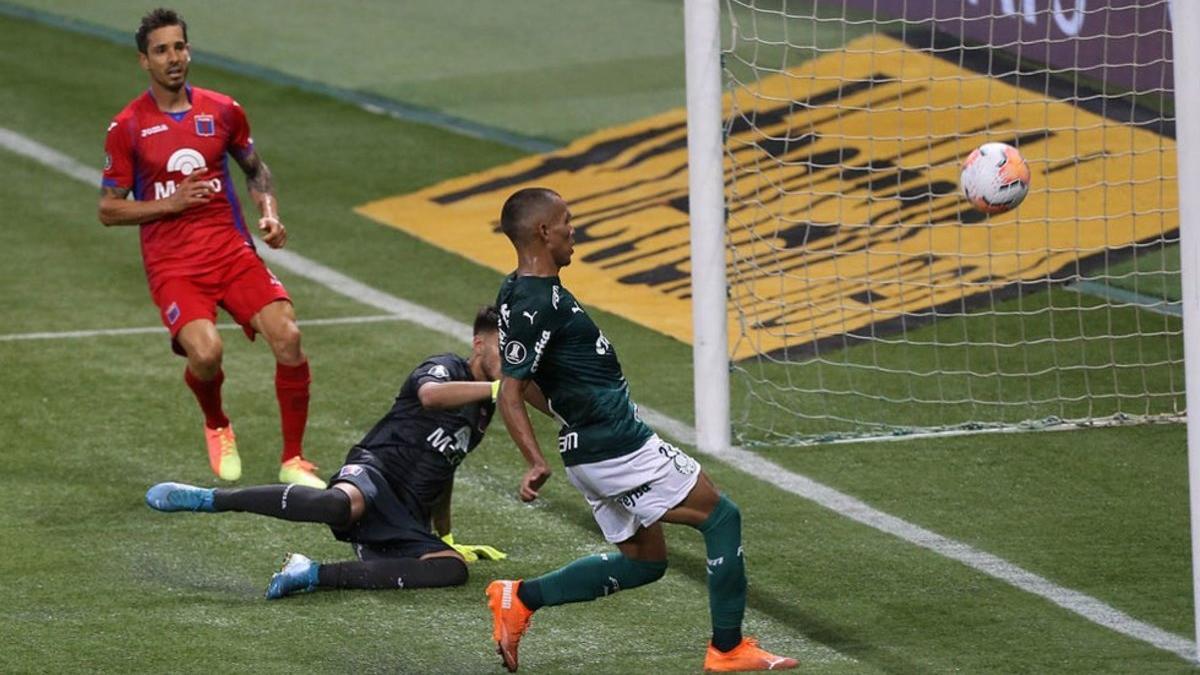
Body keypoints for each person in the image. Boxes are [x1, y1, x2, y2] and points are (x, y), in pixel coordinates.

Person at [485, 188, 798, 672]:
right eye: (566, 220)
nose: (574, 230)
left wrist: (574, 417)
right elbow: (511, 390)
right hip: (616, 447)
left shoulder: (514, 292)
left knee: (644, 563)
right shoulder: (535, 303)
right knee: (721, 517)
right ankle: (728, 649)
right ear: (543, 232)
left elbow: (527, 384)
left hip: (592, 447)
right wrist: (534, 460)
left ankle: (520, 598)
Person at [97, 8, 322, 488]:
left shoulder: (223, 109)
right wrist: (171, 203)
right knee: (206, 353)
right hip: (174, 265)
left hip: (231, 251)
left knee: (288, 336)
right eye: (161, 50)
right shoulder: (128, 127)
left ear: (188, 50)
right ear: (144, 61)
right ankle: (218, 423)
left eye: (179, 47)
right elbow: (108, 209)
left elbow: (255, 169)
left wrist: (270, 214)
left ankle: (294, 458)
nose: (173, 58)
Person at [144, 306, 511, 597]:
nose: (510, 357)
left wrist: (445, 536)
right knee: (338, 504)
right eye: (503, 346)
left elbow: (445, 467)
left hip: (406, 511)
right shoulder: (446, 367)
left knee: (452, 569)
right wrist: (496, 389)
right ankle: (211, 499)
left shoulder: (482, 410)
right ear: (479, 344)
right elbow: (430, 395)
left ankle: (311, 573)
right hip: (375, 472)